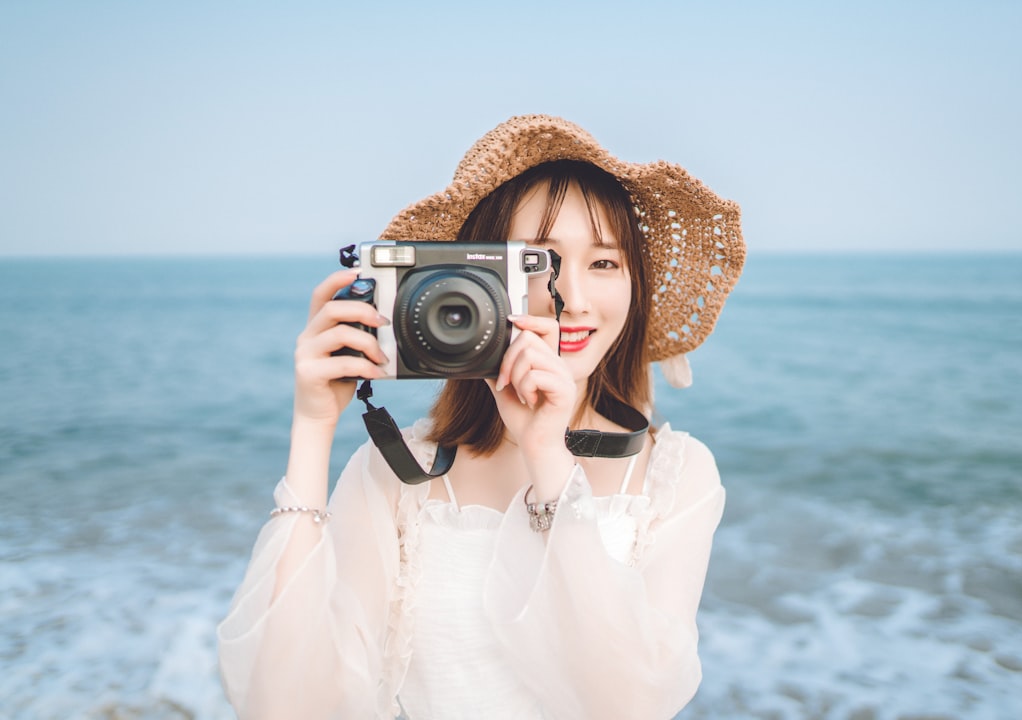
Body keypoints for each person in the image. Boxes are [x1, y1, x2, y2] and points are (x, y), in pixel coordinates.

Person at [217, 114, 745, 719]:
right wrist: (312, 430)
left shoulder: (673, 475)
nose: (573, 298)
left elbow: (629, 701)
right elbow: (286, 705)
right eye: (540, 264)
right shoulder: (397, 475)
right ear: (474, 281)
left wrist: (549, 457)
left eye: (605, 264)